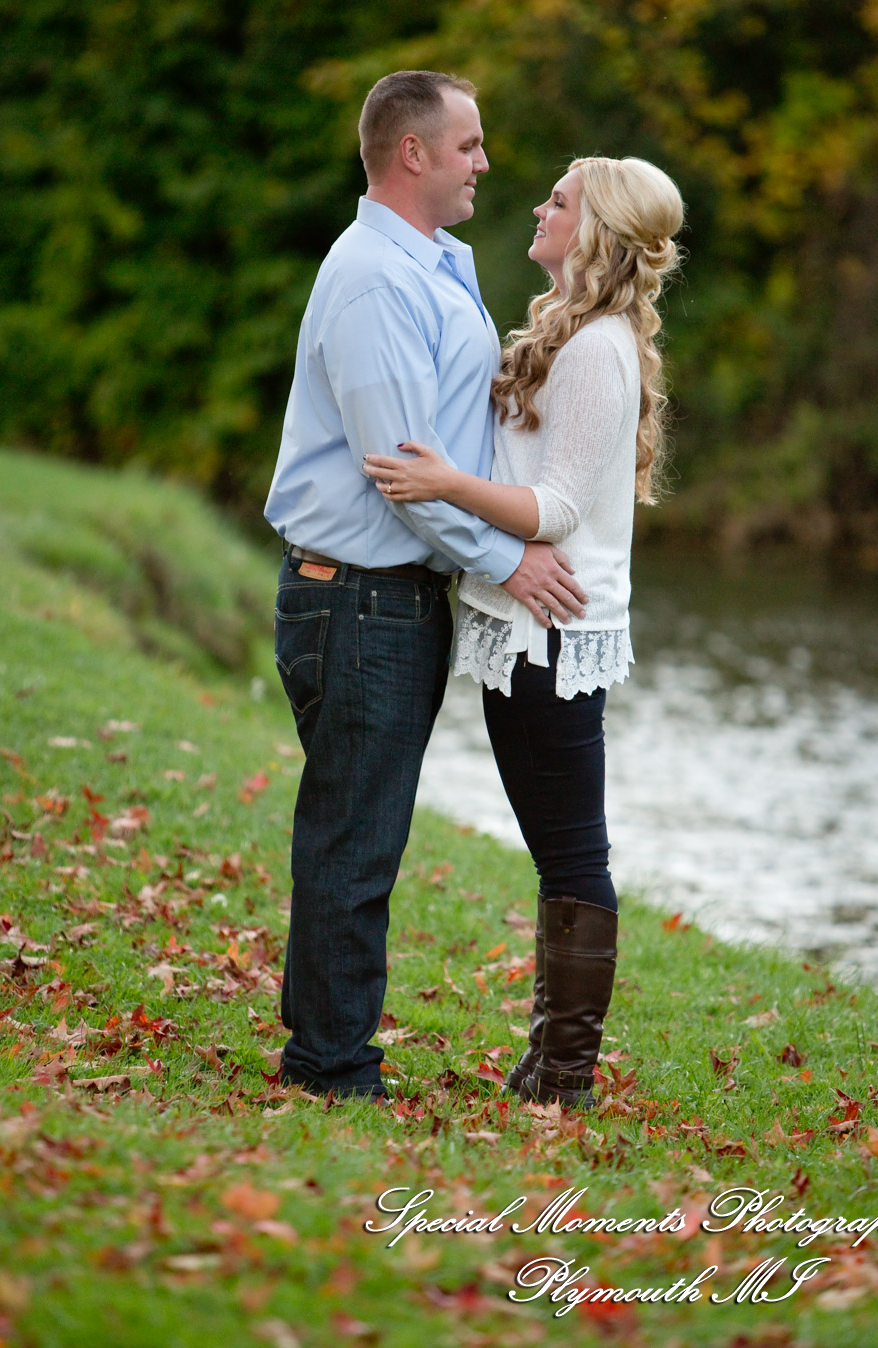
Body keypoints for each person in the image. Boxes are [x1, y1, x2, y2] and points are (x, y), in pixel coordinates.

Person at [264, 70, 588, 1100]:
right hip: (354, 595)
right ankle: (327, 1066)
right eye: (468, 146)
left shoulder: (440, 264)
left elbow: (459, 439)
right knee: (352, 842)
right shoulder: (371, 280)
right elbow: (400, 470)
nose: (485, 164)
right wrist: (511, 560)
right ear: (411, 153)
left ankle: (329, 1048)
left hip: (395, 601)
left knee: (366, 831)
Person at [363, 154, 685, 1108]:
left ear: (593, 231)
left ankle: (562, 1075)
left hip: (551, 629)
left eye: (559, 201)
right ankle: (551, 1066)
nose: (538, 208)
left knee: (572, 854)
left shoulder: (596, 348)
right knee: (565, 849)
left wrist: (444, 484)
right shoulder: (572, 330)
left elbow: (551, 510)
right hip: (531, 625)